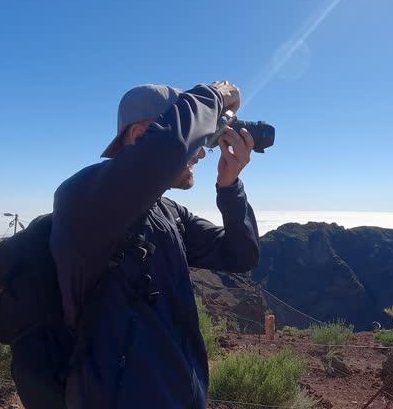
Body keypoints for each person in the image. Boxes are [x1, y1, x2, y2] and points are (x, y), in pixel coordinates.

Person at [50, 80, 260, 408]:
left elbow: (240, 255)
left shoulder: (168, 212)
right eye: (197, 140)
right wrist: (214, 95)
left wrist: (229, 186)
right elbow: (167, 150)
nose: (202, 151)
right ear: (138, 136)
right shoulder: (83, 197)